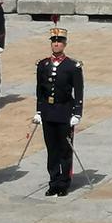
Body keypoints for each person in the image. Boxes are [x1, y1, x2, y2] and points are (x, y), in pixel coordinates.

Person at [33, 24, 84, 197]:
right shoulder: (43, 64)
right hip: (48, 111)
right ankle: (53, 180)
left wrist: (77, 112)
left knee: (65, 148)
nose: (56, 44)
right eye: (54, 41)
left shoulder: (72, 66)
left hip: (64, 110)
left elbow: (78, 90)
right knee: (52, 149)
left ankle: (64, 182)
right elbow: (40, 89)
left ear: (64, 44)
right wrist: (39, 111)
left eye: (59, 41)